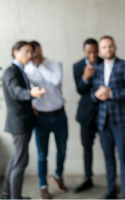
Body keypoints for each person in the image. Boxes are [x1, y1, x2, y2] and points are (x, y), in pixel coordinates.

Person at [91, 36, 125, 199]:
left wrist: (111, 93)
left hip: (122, 120)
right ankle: (111, 189)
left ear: (115, 47)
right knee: (108, 157)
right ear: (100, 50)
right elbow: (92, 94)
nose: (108, 50)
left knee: (124, 158)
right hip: (103, 120)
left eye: (110, 46)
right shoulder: (97, 68)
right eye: (104, 47)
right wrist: (97, 95)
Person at [1, 41, 46, 199]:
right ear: (15, 52)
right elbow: (15, 92)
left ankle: (7, 194)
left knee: (15, 160)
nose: (30, 55)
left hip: (22, 121)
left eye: (31, 52)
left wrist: (30, 104)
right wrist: (31, 94)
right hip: (19, 124)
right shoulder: (11, 71)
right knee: (20, 162)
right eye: (26, 52)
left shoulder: (20, 70)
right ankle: (15, 197)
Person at [24, 41, 68, 199]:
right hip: (40, 117)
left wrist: (39, 65)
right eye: (29, 54)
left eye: (34, 53)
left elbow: (55, 81)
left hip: (59, 115)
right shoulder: (26, 69)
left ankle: (58, 176)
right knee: (42, 154)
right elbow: (26, 91)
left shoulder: (54, 64)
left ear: (40, 50)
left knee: (62, 151)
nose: (32, 56)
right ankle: (43, 185)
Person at [73, 38, 103, 193]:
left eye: (95, 51)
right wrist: (85, 77)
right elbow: (79, 90)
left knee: (108, 148)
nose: (92, 55)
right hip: (86, 115)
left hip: (105, 114)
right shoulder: (78, 66)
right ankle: (87, 178)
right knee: (87, 148)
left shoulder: (105, 63)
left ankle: (112, 181)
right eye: (89, 52)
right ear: (84, 51)